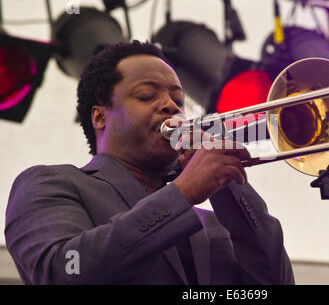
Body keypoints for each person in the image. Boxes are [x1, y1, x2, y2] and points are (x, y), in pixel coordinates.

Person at [4, 40, 295, 285]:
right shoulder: (52, 184)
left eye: (178, 101)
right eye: (146, 95)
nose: (171, 106)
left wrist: (228, 185)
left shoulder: (216, 224)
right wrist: (183, 193)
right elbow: (63, 270)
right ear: (99, 116)